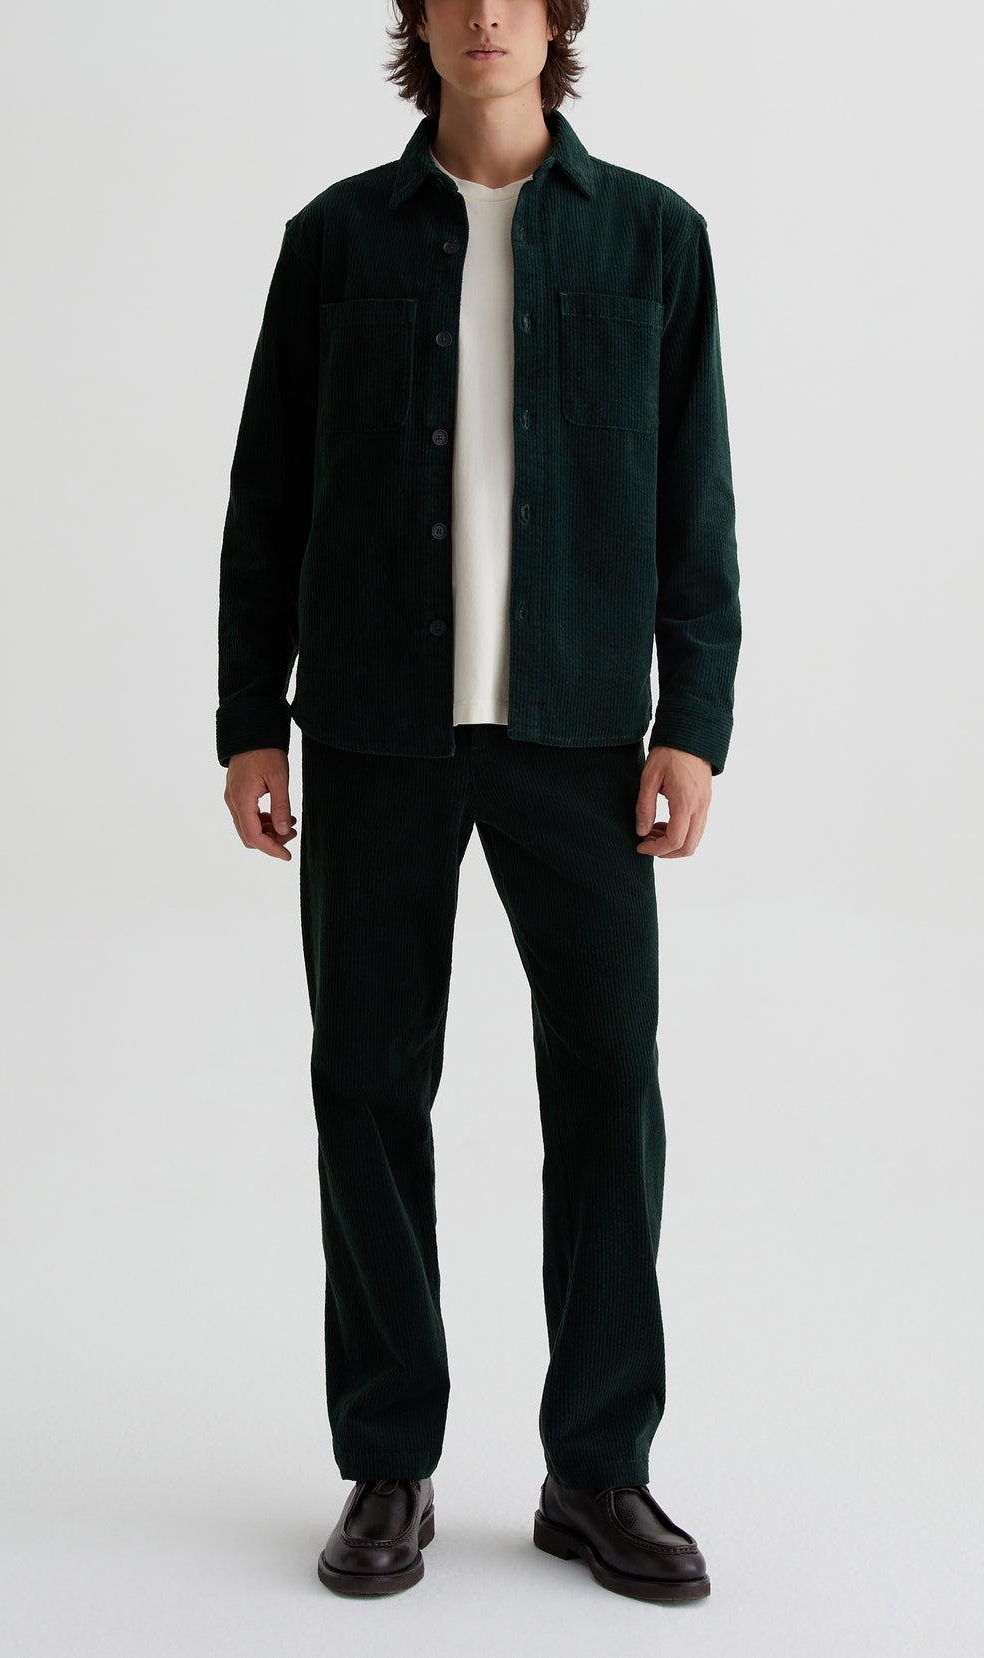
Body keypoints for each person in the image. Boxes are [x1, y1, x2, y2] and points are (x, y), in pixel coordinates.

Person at [215, 0, 739, 1606]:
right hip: (375, 726)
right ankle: (389, 1459)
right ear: (420, 19)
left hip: (580, 736)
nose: (486, 13)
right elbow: (267, 490)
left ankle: (598, 1468)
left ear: (556, 17)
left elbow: (696, 496)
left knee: (607, 1087)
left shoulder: (653, 238)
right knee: (368, 1083)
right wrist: (248, 721)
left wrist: (692, 721)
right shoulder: (335, 240)